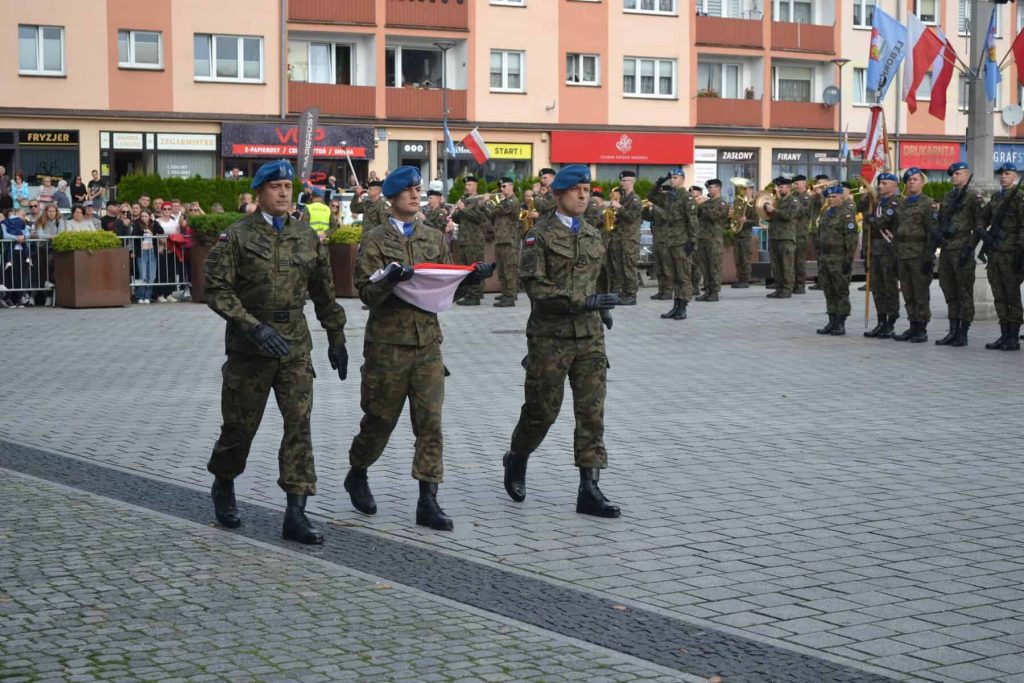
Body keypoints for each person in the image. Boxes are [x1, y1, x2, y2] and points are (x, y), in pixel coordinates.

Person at [204, 159, 348, 545]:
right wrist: (252, 326)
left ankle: (296, 512)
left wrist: (336, 336)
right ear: (260, 192)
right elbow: (216, 289)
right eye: (275, 187)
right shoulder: (237, 236)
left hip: (294, 345)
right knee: (239, 428)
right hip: (250, 347)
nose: (284, 193)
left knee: (299, 424)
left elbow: (324, 290)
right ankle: (224, 481)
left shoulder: (306, 235)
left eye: (288, 186)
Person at [345, 166, 489, 531]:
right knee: (379, 420)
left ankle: (428, 500)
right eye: (407, 190)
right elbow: (366, 293)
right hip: (387, 346)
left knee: (430, 423)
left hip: (427, 345)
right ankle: (357, 471)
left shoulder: (434, 237)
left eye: (417, 189)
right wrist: (389, 280)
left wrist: (471, 281)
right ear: (392, 197)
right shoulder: (375, 239)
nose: (414, 195)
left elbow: (445, 289)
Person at [501, 164, 621, 518]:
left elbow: (600, 275)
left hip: (589, 337)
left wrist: (603, 305)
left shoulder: (592, 233)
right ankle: (517, 457)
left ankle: (589, 489)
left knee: (591, 412)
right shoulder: (538, 236)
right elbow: (536, 287)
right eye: (575, 190)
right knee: (542, 411)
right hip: (550, 337)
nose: (583, 195)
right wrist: (583, 301)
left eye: (586, 189)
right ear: (557, 195)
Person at [934, 161, 984, 347]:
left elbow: (979, 226)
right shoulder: (948, 196)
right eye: (952, 174)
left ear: (966, 175)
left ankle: (963, 332)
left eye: (958, 174)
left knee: (964, 292)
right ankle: (953, 330)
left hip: (962, 248)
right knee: (949, 289)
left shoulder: (973, 197)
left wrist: (969, 248)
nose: (954, 177)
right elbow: (941, 221)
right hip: (947, 249)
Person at [979, 163, 1024, 350]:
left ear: (1015, 176)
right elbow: (983, 217)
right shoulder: (996, 198)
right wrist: (982, 230)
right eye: (1001, 174)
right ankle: (1004, 334)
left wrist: (1020, 253)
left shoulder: (1019, 198)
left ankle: (1013, 337)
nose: (1003, 177)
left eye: (1007, 173)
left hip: (1011, 254)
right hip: (995, 253)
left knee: (1012, 296)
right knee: (999, 295)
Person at [893, 168, 937, 343]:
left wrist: (929, 255)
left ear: (922, 183)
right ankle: (912, 324)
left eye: (915, 179)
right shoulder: (902, 204)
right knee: (907, 291)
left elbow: (932, 232)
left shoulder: (928, 204)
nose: (911, 182)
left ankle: (921, 328)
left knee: (920, 293)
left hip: (919, 255)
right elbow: (896, 231)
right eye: (909, 179)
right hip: (903, 254)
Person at [649, 169, 697, 320]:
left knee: (683, 276)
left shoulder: (687, 197)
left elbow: (692, 221)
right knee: (675, 276)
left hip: (682, 242)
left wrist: (692, 241)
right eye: (671, 178)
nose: (672, 180)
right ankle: (676, 306)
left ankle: (683, 307)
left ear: (682, 179)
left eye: (675, 177)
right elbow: (651, 197)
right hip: (670, 241)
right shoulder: (669, 197)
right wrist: (658, 184)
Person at [813, 185, 858, 336]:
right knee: (828, 290)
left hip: (839, 258)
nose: (831, 199)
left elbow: (851, 240)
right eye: (829, 197)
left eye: (834, 197)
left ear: (841, 197)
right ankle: (831, 320)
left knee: (840, 291)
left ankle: (840, 322)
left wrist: (848, 260)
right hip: (825, 258)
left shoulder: (846, 215)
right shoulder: (826, 214)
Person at [862, 173, 902, 339]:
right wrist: (866, 250)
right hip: (875, 252)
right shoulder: (877, 203)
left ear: (894, 185)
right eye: (880, 183)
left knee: (889, 288)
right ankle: (881, 321)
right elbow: (867, 227)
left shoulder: (895, 203)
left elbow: (882, 222)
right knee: (877, 288)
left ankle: (890, 322)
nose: (880, 186)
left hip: (889, 251)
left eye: (885, 183)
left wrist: (871, 218)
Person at [451, 175, 493, 305]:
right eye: (466, 185)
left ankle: (476, 294)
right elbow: (458, 219)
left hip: (474, 240)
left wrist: (463, 209)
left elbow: (478, 218)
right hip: (464, 239)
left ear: (475, 186)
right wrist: (455, 212)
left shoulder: (480, 200)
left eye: (469, 185)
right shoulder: (465, 200)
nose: (466, 187)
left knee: (476, 267)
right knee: (466, 268)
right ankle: (468, 293)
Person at [764, 176, 801, 298]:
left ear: (789, 187)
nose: (779, 189)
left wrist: (773, 210)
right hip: (775, 236)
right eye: (778, 187)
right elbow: (772, 217)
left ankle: (787, 289)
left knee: (787, 265)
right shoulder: (777, 201)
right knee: (776, 266)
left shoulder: (793, 201)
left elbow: (789, 215)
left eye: (781, 187)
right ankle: (779, 288)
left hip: (786, 237)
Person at [609, 170, 642, 305]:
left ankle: (631, 294)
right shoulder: (624, 198)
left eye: (624, 181)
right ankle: (624, 292)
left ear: (631, 181)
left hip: (630, 238)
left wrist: (619, 207)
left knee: (629, 266)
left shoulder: (635, 199)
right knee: (621, 266)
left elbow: (631, 217)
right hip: (621, 237)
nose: (621, 183)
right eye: (621, 180)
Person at [695, 178, 728, 302]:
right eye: (708, 188)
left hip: (714, 239)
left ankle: (714, 292)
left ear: (718, 188)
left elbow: (713, 216)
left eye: (711, 187)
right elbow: (697, 214)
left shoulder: (722, 203)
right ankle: (707, 290)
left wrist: (702, 204)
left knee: (714, 266)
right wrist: (695, 204)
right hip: (702, 237)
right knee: (704, 267)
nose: (709, 190)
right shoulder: (707, 202)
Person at [492, 176, 522, 307]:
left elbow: (497, 210)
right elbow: (492, 215)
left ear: (511, 186)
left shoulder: (513, 201)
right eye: (501, 187)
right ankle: (505, 293)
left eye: (504, 186)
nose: (502, 189)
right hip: (500, 239)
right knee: (502, 269)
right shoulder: (504, 201)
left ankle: (510, 296)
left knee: (510, 270)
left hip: (509, 240)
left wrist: (487, 202)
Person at [643, 188, 671, 300]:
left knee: (666, 267)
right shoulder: (658, 207)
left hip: (666, 239)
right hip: (657, 239)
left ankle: (668, 290)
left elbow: (665, 216)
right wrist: (646, 209)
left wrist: (654, 206)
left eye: (663, 194)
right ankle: (661, 290)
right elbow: (647, 218)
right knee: (658, 266)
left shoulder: (669, 206)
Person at [131, 210, 162, 304]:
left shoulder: (154, 224)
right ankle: (140, 296)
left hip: (152, 251)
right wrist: (143, 232)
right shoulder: (137, 225)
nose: (144, 218)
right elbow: (133, 235)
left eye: (146, 216)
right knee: (142, 275)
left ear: (149, 217)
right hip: (142, 252)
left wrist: (154, 221)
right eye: (142, 216)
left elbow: (161, 231)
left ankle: (147, 296)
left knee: (151, 276)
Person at [730, 183, 757, 289]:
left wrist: (746, 221)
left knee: (745, 258)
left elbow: (756, 221)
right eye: (742, 189)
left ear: (751, 190)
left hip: (746, 235)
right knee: (738, 258)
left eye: (746, 189)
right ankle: (739, 278)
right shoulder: (739, 202)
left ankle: (745, 280)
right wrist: (732, 216)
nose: (744, 191)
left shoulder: (753, 204)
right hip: (737, 234)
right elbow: (735, 217)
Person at [791, 174, 810, 294]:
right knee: (793, 260)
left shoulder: (806, 198)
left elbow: (801, 212)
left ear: (803, 184)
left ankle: (800, 285)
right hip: (794, 232)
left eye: (797, 184)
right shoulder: (796, 197)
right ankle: (794, 283)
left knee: (799, 261)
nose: (795, 186)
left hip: (801, 233)